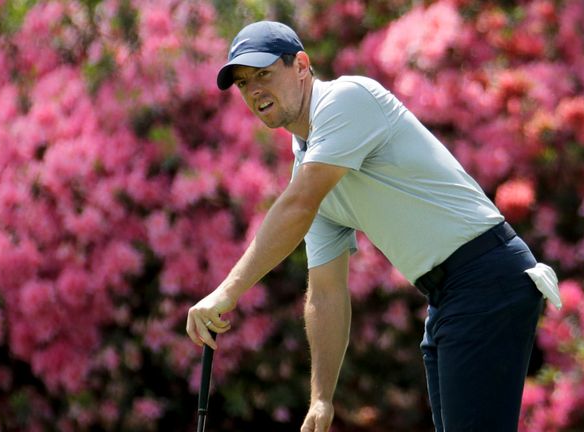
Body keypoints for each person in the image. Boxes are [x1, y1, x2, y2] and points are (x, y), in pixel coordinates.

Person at [186, 20, 561, 432]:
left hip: (487, 278)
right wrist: (321, 398)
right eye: (243, 83)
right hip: (449, 295)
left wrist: (225, 294)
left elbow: (297, 204)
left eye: (263, 74)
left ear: (301, 66)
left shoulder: (347, 100)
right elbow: (326, 291)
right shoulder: (310, 166)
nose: (254, 90)